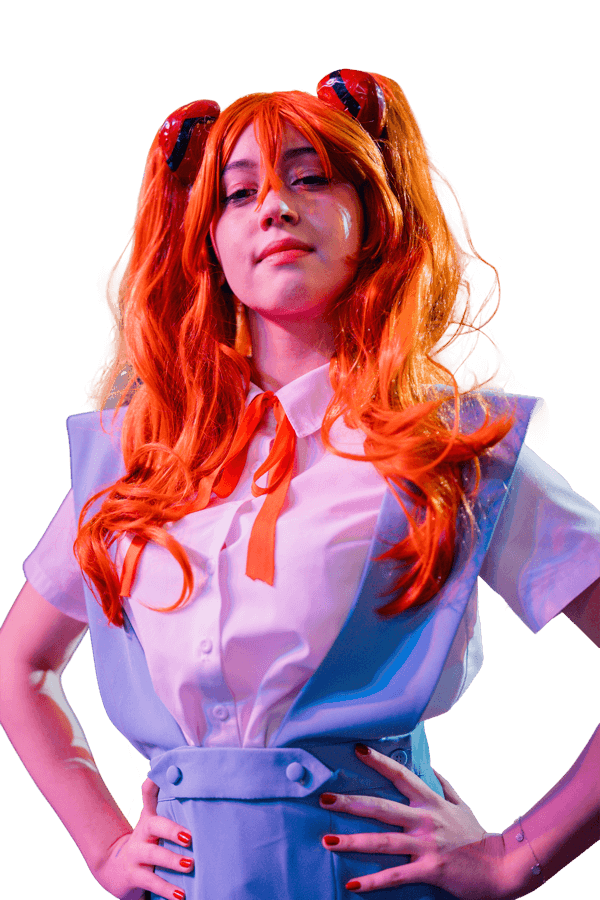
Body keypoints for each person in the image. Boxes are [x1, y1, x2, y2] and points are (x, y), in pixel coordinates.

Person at [0, 69, 598, 900]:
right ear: (207, 240)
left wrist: (511, 858)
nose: (275, 207)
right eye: (239, 192)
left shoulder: (453, 451)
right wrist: (104, 847)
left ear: (374, 215)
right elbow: (20, 663)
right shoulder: (139, 456)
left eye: (311, 178)